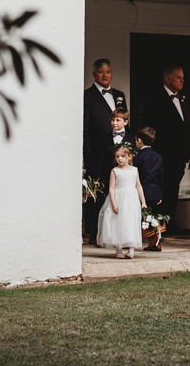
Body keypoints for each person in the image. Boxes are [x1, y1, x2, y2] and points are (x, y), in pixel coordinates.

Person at [144, 64, 190, 237]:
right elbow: (149, 126)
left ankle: (170, 222)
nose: (182, 80)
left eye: (183, 78)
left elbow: (187, 126)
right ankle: (157, 224)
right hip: (162, 154)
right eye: (178, 77)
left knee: (174, 188)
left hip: (179, 155)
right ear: (168, 79)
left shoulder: (183, 99)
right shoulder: (154, 98)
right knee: (160, 189)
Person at [83, 59, 127, 243]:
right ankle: (94, 232)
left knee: (120, 190)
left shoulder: (119, 94)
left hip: (119, 151)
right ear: (94, 74)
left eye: (108, 71)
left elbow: (125, 120)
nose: (105, 75)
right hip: (97, 152)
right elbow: (84, 125)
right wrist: (86, 150)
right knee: (97, 191)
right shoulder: (87, 95)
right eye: (101, 72)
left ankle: (117, 231)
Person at [97, 144, 146, 259]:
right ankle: (118, 250)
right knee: (118, 223)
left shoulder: (134, 170)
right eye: (117, 156)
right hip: (119, 198)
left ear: (129, 157)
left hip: (131, 200)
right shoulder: (115, 171)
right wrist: (113, 203)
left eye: (122, 156)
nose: (120, 159)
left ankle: (131, 250)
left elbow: (138, 186)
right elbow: (112, 188)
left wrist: (143, 201)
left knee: (131, 222)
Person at [134, 126, 165, 252]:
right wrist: (160, 194)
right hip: (155, 191)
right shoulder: (158, 157)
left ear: (139, 140)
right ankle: (156, 241)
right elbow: (161, 177)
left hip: (142, 191)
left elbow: (136, 176)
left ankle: (154, 240)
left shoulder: (138, 157)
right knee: (153, 217)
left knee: (142, 218)